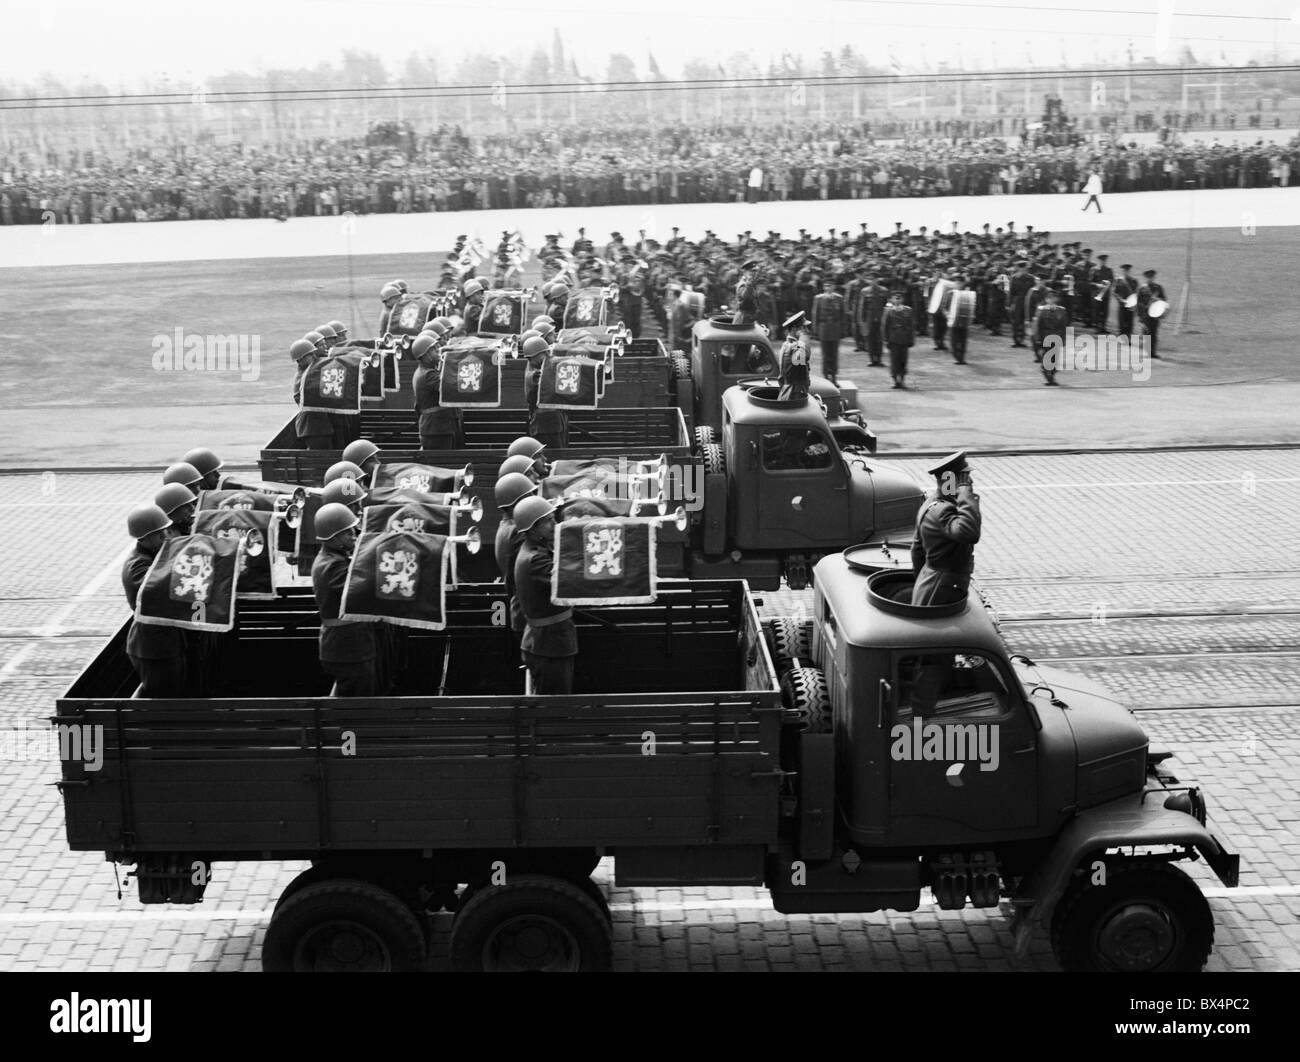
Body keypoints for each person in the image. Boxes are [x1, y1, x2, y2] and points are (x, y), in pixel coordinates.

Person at [311, 502, 378, 697]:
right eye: (347, 532)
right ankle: (345, 728)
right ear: (333, 537)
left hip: (348, 646)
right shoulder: (332, 566)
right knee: (356, 705)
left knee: (346, 696)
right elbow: (360, 589)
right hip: (348, 648)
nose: (354, 534)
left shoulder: (333, 558)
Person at [512, 495, 577, 695]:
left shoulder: (534, 550)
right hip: (549, 645)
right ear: (532, 529)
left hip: (548, 642)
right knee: (553, 709)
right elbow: (569, 583)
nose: (554, 523)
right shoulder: (535, 560)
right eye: (547, 521)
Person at [121, 504, 187, 696]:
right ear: (146, 537)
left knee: (166, 690)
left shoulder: (152, 555)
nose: (166, 538)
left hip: (165, 641)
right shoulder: (138, 566)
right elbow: (160, 593)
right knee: (162, 697)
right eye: (160, 535)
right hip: (153, 646)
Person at [910, 452, 981, 607]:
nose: (970, 481)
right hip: (942, 590)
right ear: (950, 479)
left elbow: (917, 551)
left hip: (932, 582)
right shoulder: (942, 510)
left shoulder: (931, 503)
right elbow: (970, 532)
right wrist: (965, 493)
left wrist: (923, 578)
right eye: (965, 478)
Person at [411, 332, 464, 451]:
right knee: (441, 464)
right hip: (437, 429)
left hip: (439, 428)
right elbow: (451, 387)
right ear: (427, 355)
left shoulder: (425, 371)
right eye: (435, 351)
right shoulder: (428, 374)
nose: (438, 352)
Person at [521, 335, 568, 450]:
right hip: (546, 425)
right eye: (545, 353)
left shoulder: (536, 369)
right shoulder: (536, 375)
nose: (548, 356)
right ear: (533, 357)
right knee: (554, 456)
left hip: (552, 423)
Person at [290, 338, 332, 451]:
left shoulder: (309, 372)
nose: (314, 357)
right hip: (313, 427)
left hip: (318, 425)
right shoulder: (303, 378)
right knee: (319, 455)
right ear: (301, 360)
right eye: (310, 355)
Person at [809, 278, 846, 384]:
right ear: (824, 287)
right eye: (826, 286)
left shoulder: (839, 298)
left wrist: (843, 330)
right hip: (824, 328)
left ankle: (834, 376)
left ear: (834, 287)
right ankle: (825, 376)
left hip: (835, 328)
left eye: (830, 286)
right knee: (825, 354)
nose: (828, 288)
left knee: (834, 354)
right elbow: (815, 314)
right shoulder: (818, 298)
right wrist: (815, 331)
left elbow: (843, 315)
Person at [1032, 286, 1070, 386]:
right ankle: (1048, 376)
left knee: (1055, 358)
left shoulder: (1062, 311)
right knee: (1046, 357)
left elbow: (1064, 326)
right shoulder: (1042, 311)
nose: (1051, 300)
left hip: (1057, 337)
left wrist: (1064, 339)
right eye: (1049, 298)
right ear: (1046, 300)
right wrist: (1038, 339)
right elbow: (1038, 326)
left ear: (1056, 299)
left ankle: (1052, 374)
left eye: (1053, 298)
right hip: (1046, 337)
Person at [882, 290, 915, 390]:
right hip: (893, 339)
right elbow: (885, 326)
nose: (897, 300)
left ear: (902, 299)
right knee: (894, 361)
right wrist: (885, 339)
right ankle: (896, 380)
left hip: (904, 339)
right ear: (891, 299)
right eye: (895, 298)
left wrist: (911, 339)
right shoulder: (888, 310)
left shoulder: (908, 310)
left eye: (899, 298)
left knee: (903, 360)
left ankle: (903, 379)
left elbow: (911, 326)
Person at [777, 314, 812, 402]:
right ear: (794, 329)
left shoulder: (786, 345)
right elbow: (805, 355)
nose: (807, 331)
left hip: (791, 393)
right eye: (804, 328)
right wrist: (803, 336)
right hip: (795, 396)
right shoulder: (793, 347)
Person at [1137, 268, 1167, 360]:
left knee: (1154, 333)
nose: (1150, 279)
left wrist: (1157, 299)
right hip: (1146, 315)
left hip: (1155, 314)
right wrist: (1140, 317)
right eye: (1149, 277)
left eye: (1152, 277)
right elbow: (1139, 303)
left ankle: (1153, 352)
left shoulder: (1158, 288)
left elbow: (1164, 300)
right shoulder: (1142, 288)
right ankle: (1147, 352)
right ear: (1146, 278)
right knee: (1147, 333)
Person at [1113, 263, 1139, 337]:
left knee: (1130, 323)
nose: (1126, 272)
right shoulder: (1118, 280)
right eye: (1124, 270)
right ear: (1122, 271)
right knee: (1121, 323)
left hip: (1131, 306)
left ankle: (1128, 338)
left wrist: (1134, 303)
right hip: (1122, 305)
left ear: (1129, 271)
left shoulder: (1134, 281)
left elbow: (1136, 293)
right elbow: (1115, 292)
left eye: (1127, 270)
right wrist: (1121, 300)